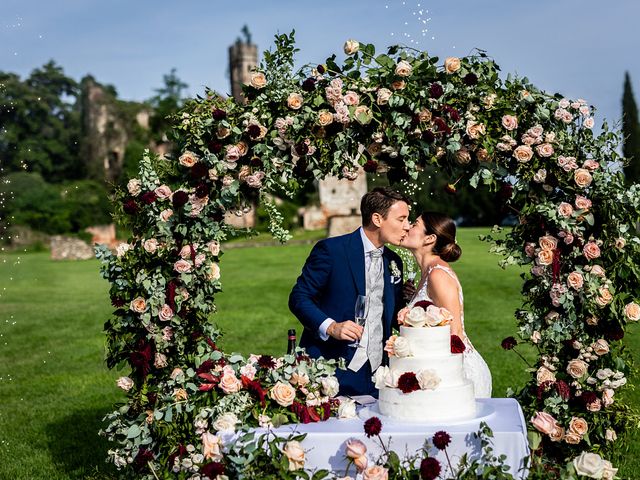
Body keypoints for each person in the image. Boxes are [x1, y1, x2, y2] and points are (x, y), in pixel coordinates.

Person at [289, 187, 411, 396]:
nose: (407, 227)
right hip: (332, 369)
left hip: (379, 374)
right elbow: (299, 297)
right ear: (377, 219)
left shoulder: (393, 261)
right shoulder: (332, 251)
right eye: (401, 219)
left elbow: (389, 315)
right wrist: (331, 327)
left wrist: (409, 300)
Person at [399, 211, 492, 397]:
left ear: (430, 238)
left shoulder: (437, 275)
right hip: (438, 369)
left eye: (415, 224)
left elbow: (455, 334)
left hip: (458, 374)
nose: (408, 226)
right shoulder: (427, 273)